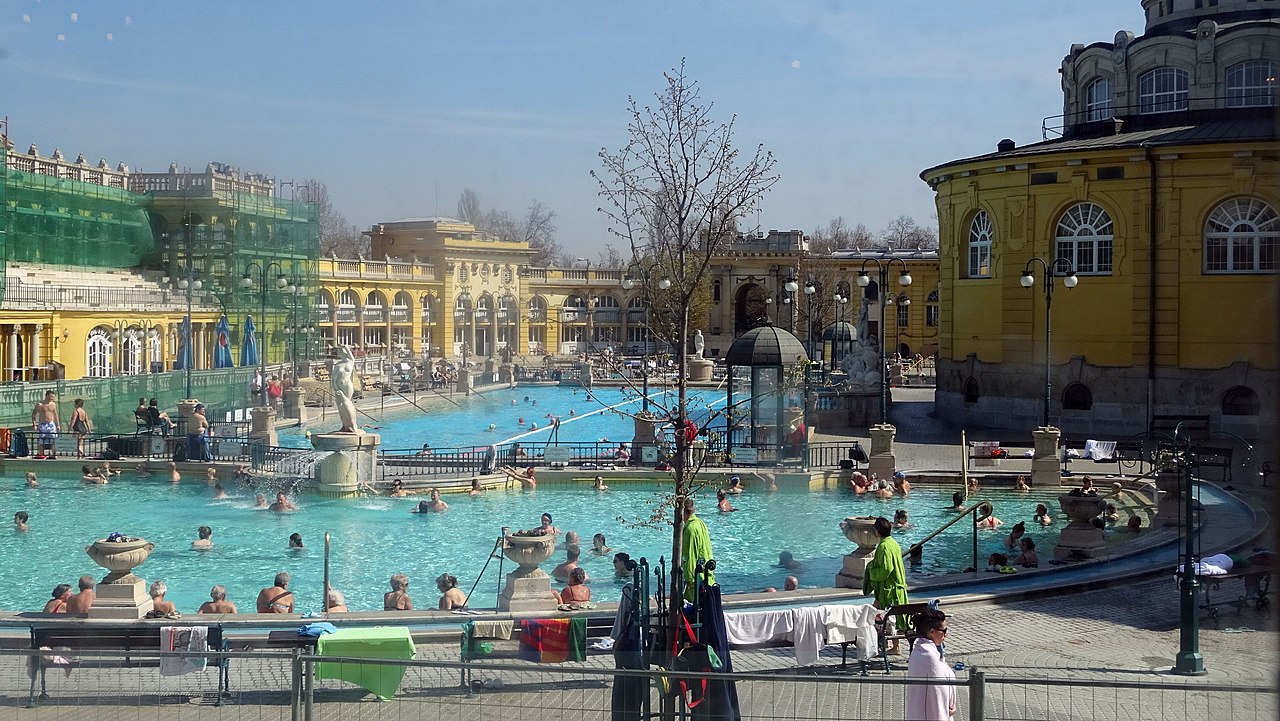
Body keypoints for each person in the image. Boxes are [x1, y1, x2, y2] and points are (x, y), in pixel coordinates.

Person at [863, 516, 909, 653]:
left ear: (877, 532)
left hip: (889, 590)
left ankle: (893, 646)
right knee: (876, 613)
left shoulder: (883, 547)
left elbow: (886, 569)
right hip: (894, 587)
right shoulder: (894, 543)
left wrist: (871, 571)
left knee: (883, 617)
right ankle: (887, 644)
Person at [905, 607, 957, 721]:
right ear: (932, 632)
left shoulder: (917, 650)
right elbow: (942, 688)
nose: (946, 635)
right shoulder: (930, 656)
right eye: (944, 631)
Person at [680, 497, 715, 600]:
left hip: (695, 583)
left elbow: (690, 555)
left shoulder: (690, 529)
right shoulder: (700, 523)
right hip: (707, 576)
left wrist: (689, 580)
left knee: (693, 612)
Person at [31, 390, 60, 458]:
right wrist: (34, 424)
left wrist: (57, 424)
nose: (52, 398)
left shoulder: (53, 404)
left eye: (53, 396)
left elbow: (55, 415)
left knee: (53, 439)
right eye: (51, 396)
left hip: (51, 424)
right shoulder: (40, 404)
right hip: (43, 424)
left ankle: (53, 454)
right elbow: (33, 415)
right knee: (42, 440)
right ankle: (41, 454)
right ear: (47, 396)